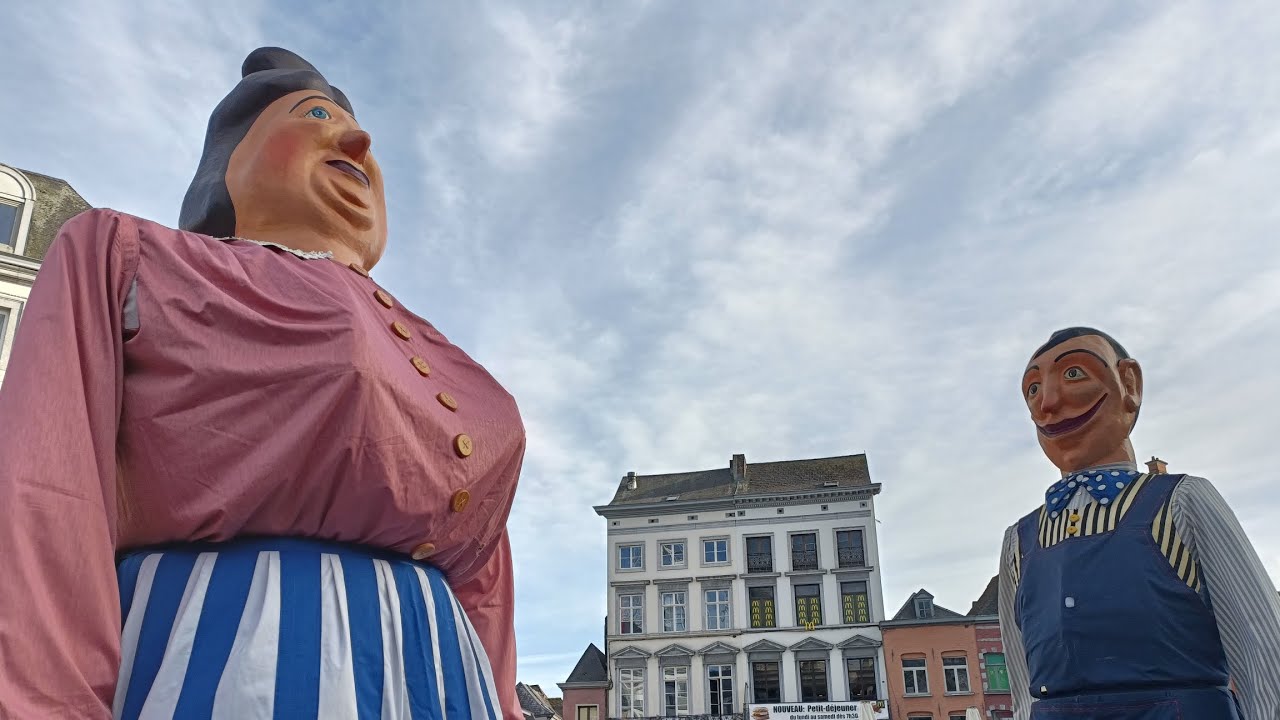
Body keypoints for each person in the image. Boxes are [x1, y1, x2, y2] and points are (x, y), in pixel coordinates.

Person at [0, 47, 525, 719]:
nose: (360, 142)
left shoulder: (440, 352)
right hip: (228, 655)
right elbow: (47, 494)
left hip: (443, 678)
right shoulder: (129, 256)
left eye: (359, 132)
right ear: (232, 158)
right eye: (313, 115)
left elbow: (484, 584)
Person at [997, 327, 1280, 719]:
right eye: (1032, 389)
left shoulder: (1182, 502)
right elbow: (1022, 680)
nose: (1048, 401)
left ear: (1129, 383)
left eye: (1074, 374)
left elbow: (1261, 647)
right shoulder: (1020, 541)